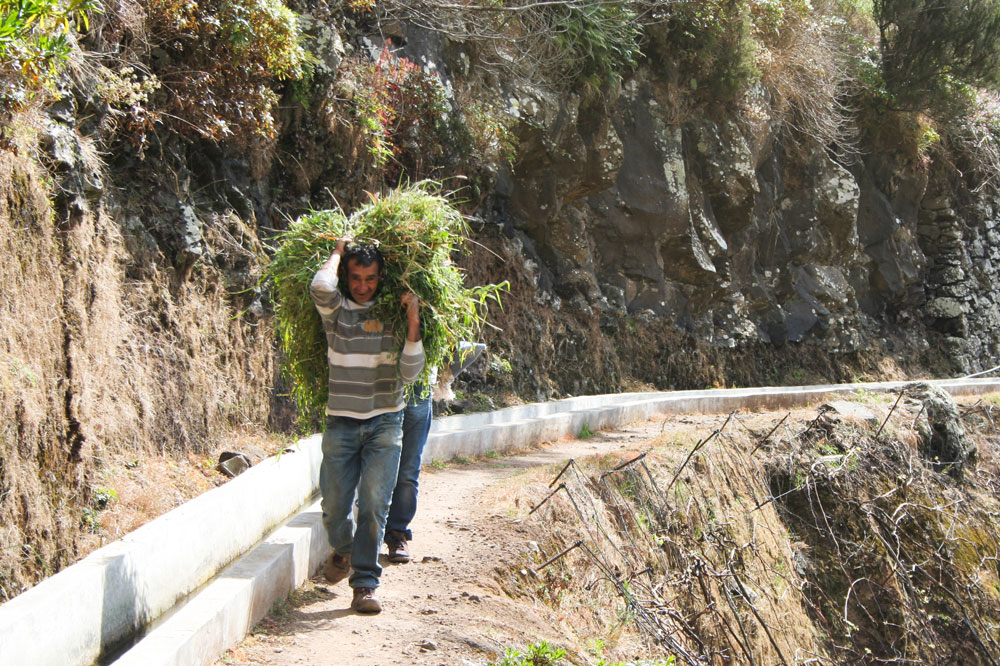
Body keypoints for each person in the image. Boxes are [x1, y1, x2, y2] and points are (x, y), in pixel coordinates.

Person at [309, 237, 424, 614]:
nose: (362, 286)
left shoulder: (392, 316)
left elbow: (410, 372)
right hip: (341, 423)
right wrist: (338, 252)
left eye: (370, 278)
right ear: (346, 276)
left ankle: (365, 584)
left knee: (374, 505)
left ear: (380, 278)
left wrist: (411, 321)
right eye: (355, 277)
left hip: (385, 422)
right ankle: (344, 550)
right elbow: (319, 285)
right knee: (334, 508)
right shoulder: (336, 311)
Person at [384, 341, 486, 563]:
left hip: (419, 388)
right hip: (382, 382)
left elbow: (469, 345)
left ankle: (397, 532)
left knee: (408, 467)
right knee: (376, 462)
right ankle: (367, 536)